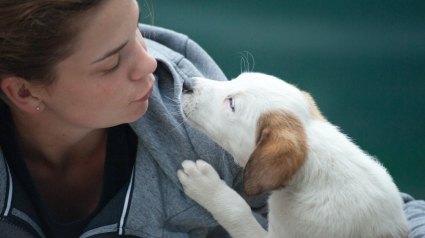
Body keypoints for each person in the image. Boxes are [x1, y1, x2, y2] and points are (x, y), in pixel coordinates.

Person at [0, 0, 423, 238]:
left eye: (137, 29)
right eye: (112, 62)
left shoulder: (195, 132)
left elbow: (392, 215)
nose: (150, 62)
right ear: (23, 91)